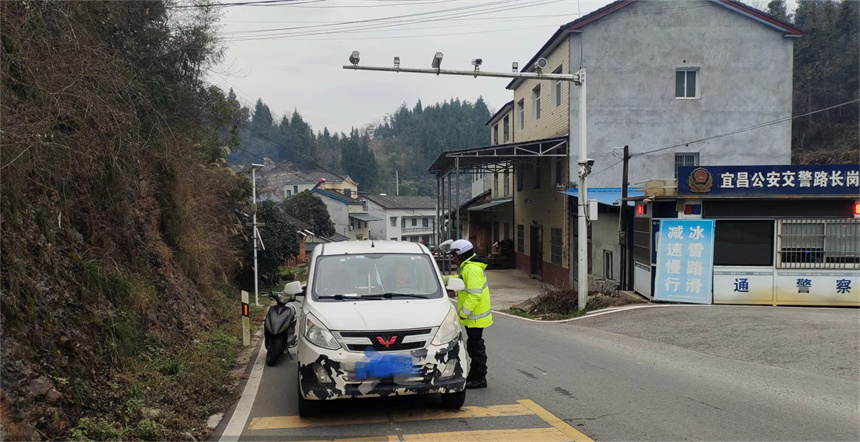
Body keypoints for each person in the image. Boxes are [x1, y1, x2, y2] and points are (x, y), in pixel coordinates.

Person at [444, 239, 492, 389]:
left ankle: (479, 379)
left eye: (454, 255)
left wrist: (464, 314)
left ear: (461, 255)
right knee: (474, 346)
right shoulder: (468, 268)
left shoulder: (471, 269)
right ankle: (475, 376)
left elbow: (474, 295)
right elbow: (461, 282)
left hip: (475, 318)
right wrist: (443, 280)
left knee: (475, 347)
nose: (453, 259)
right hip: (474, 318)